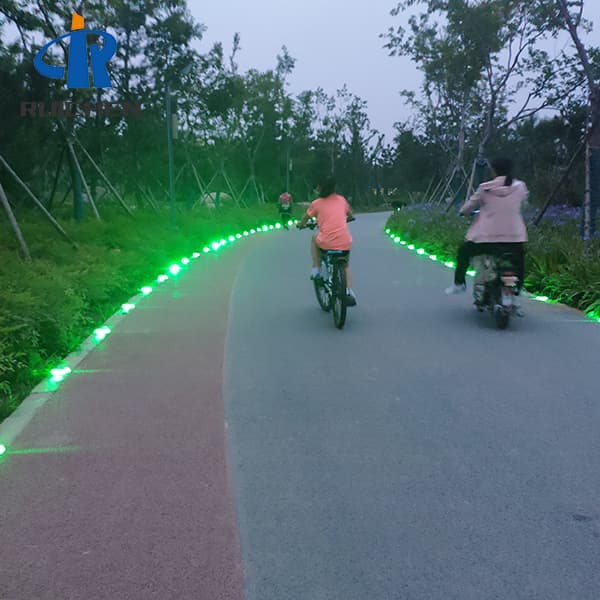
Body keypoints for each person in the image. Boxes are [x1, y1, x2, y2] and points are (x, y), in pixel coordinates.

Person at [445, 157, 528, 295]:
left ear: (493, 171)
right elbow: (524, 205)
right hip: (514, 238)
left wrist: (463, 212)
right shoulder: (520, 187)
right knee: (519, 259)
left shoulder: (485, 188)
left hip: (486, 239)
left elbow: (468, 207)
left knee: (463, 252)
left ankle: (459, 284)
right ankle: (519, 287)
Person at [297, 175, 357, 306]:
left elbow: (305, 218)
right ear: (334, 187)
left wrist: (301, 224)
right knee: (345, 265)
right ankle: (348, 291)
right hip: (344, 242)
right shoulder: (342, 200)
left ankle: (316, 268)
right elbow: (350, 214)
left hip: (326, 242)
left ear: (319, 188)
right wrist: (349, 217)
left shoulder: (316, 203)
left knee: (314, 237)